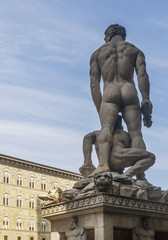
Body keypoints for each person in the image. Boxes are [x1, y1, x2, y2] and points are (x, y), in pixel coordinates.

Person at [90, 24, 153, 178]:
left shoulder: (98, 53)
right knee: (136, 133)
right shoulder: (134, 50)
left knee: (106, 128)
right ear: (123, 35)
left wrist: (100, 107)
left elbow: (94, 84)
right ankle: (140, 175)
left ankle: (103, 165)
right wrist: (145, 98)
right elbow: (142, 75)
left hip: (110, 90)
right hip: (129, 90)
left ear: (108, 34)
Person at [80, 116, 155, 181]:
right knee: (150, 157)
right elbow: (137, 151)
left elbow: (87, 138)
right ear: (119, 123)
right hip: (119, 158)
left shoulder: (97, 133)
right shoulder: (124, 134)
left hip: (105, 163)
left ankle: (128, 175)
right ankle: (128, 175)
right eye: (120, 122)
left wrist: (87, 162)